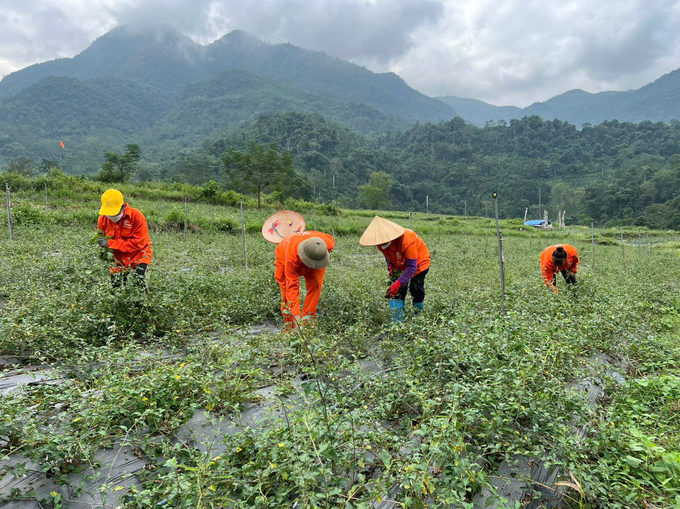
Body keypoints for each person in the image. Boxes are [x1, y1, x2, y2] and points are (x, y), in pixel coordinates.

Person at [360, 216, 430, 321]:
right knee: (398, 292)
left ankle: (418, 317)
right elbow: (387, 255)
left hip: (419, 263)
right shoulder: (380, 243)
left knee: (416, 288)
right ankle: (397, 322)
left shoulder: (407, 240)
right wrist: (391, 267)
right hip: (400, 263)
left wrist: (397, 284)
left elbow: (412, 267)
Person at [274, 231, 335, 327]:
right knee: (287, 290)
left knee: (316, 286)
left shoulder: (328, 243)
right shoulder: (291, 258)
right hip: (284, 256)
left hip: (315, 254)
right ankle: (292, 326)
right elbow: (292, 287)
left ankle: (307, 323)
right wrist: (297, 317)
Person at [97, 189, 153, 290]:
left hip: (139, 255)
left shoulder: (137, 217)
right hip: (117, 259)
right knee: (116, 286)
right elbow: (102, 241)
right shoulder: (102, 220)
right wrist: (103, 249)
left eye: (114, 213)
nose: (111, 217)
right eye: (109, 214)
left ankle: (142, 304)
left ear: (123, 207)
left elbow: (138, 244)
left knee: (138, 282)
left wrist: (110, 243)